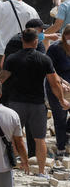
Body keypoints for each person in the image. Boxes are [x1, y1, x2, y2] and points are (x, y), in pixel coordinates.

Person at [0, 28, 70, 176]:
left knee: (14, 137)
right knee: (40, 139)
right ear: (36, 41)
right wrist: (61, 99)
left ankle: (10, 168)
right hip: (37, 104)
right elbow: (54, 83)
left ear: (23, 41)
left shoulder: (12, 58)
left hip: (16, 103)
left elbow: (2, 78)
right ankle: (42, 172)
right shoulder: (44, 59)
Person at [45, 25, 70, 155]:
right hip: (56, 86)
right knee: (60, 117)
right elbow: (50, 69)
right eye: (68, 36)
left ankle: (67, 132)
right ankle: (61, 149)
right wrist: (62, 82)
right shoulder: (55, 48)